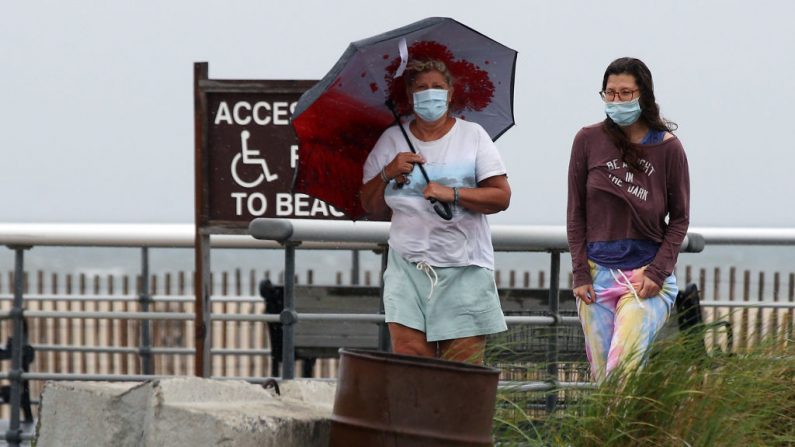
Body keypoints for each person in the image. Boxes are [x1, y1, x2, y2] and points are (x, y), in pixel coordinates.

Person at [359, 59, 511, 365]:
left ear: (451, 93)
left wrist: (451, 193)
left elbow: (500, 196)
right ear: (410, 96)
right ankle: (417, 415)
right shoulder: (391, 140)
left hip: (464, 265)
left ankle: (458, 415)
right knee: (411, 359)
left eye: (438, 87)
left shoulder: (473, 136)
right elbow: (369, 204)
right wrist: (388, 172)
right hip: (407, 266)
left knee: (462, 365)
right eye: (422, 88)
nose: (430, 95)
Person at [567, 57, 690, 382]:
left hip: (645, 276)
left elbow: (680, 219)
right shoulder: (587, 140)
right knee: (603, 381)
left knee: (622, 371)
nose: (617, 101)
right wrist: (580, 273)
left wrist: (658, 272)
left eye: (625, 93)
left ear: (643, 95)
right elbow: (576, 213)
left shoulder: (668, 148)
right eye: (610, 93)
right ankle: (619, 435)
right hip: (596, 276)